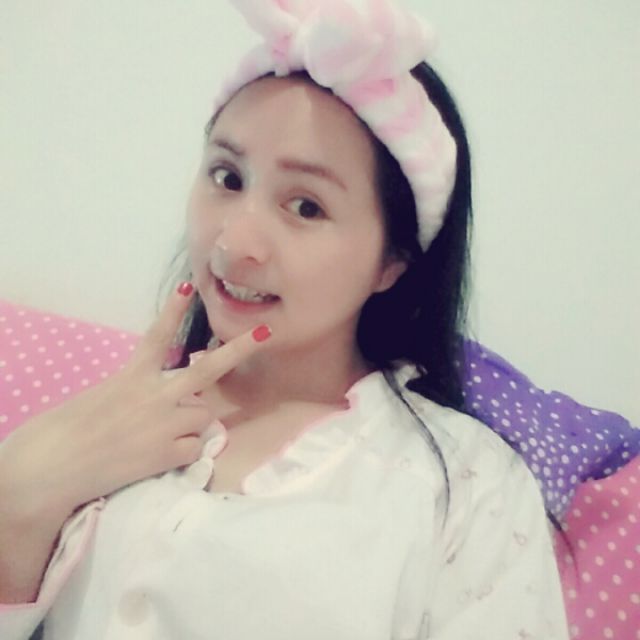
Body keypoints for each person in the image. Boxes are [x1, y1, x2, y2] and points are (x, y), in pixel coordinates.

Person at [0, 1, 570, 638]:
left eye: (305, 206)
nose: (234, 242)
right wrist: (18, 492)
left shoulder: (470, 487)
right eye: (227, 177)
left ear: (392, 262)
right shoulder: (113, 415)